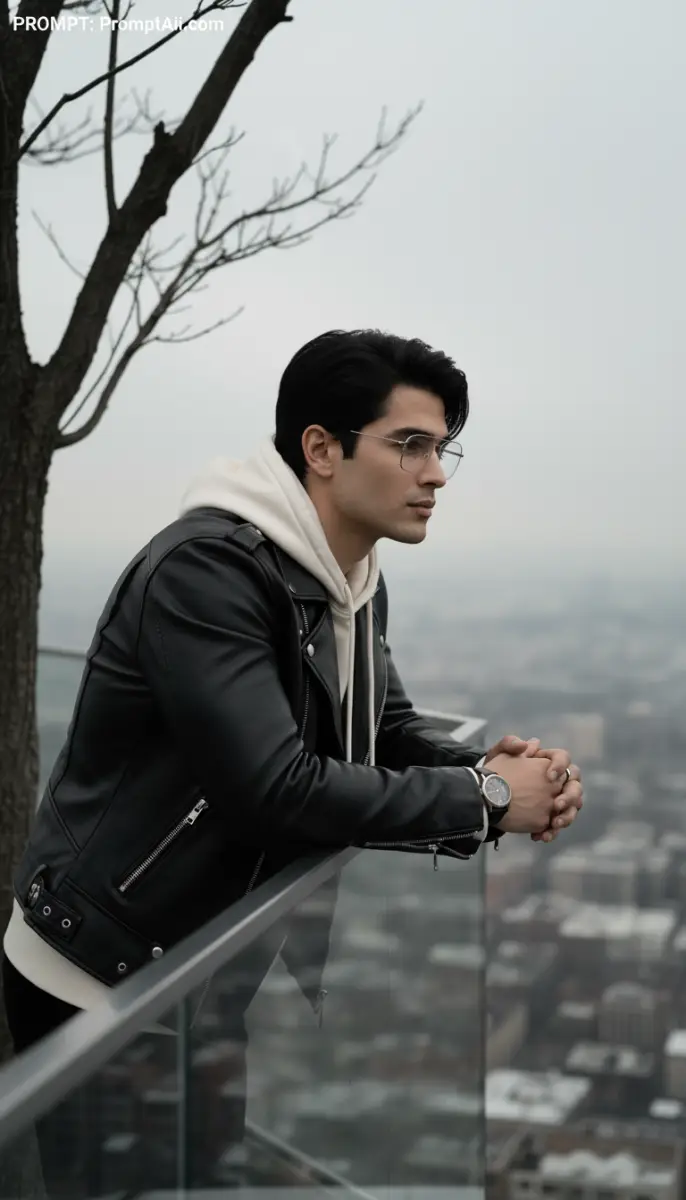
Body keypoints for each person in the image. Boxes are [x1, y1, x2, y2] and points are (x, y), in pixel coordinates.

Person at [2, 329, 582, 1168]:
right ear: (321, 448)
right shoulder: (209, 571)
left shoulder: (347, 577)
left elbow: (381, 729)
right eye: (410, 445)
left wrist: (507, 775)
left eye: (444, 448)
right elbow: (271, 788)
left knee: (203, 1175)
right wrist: (485, 802)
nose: (436, 474)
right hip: (100, 971)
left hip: (204, 967)